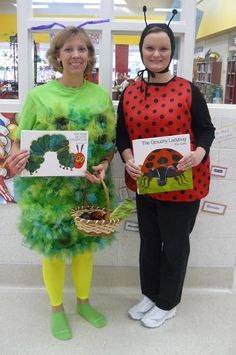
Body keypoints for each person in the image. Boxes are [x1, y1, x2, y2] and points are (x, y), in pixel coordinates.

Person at [11, 26, 116, 341]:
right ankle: (57, 309)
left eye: (82, 49)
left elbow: (109, 141)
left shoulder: (100, 95)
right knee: (53, 250)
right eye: (68, 49)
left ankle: (83, 303)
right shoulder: (39, 96)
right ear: (57, 56)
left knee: (85, 249)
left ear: (89, 56)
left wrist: (105, 162)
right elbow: (20, 138)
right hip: (48, 190)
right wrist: (14, 159)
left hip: (89, 186)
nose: (76, 55)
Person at [116, 8, 215, 329]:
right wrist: (128, 159)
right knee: (149, 241)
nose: (156, 54)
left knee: (174, 244)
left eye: (163, 49)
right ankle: (150, 294)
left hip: (184, 182)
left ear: (172, 53)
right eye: (149, 48)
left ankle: (168, 302)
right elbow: (122, 136)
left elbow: (206, 130)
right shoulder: (130, 91)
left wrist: (199, 152)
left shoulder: (188, 90)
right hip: (147, 182)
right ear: (141, 51)